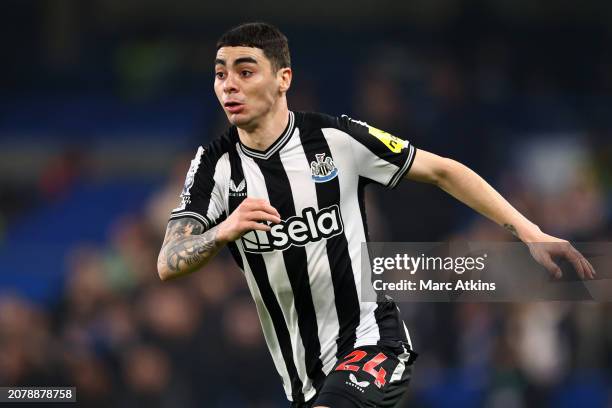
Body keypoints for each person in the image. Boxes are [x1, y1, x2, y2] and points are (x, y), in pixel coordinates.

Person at [156, 22, 596, 408]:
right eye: (220, 74)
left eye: (245, 71)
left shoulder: (336, 139)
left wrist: (530, 230)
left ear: (282, 78)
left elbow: (443, 171)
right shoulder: (214, 166)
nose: (229, 85)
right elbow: (167, 261)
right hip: (303, 378)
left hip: (373, 344)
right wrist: (224, 230)